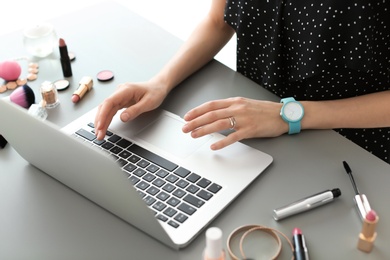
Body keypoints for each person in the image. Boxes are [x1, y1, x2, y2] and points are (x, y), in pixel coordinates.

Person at [94, 0, 390, 163]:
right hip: (251, 126)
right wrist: (160, 82)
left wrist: (288, 116)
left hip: (350, 143)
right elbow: (218, 20)